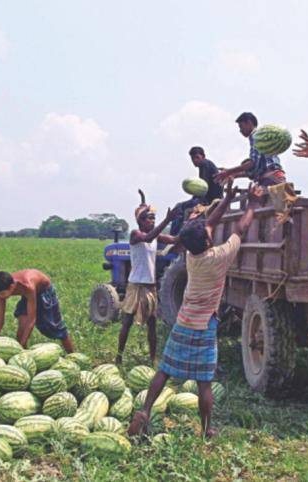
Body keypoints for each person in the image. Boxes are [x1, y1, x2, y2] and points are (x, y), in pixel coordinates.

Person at [128, 182, 262, 439]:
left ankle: (144, 411)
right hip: (204, 326)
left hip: (183, 322)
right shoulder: (220, 256)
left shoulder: (191, 256)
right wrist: (253, 204)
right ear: (208, 240)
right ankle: (207, 428)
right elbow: (241, 229)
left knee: (164, 371)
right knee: (204, 382)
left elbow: (209, 224)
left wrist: (227, 200)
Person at [116, 191, 177, 366]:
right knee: (126, 323)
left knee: (152, 325)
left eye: (154, 218)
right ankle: (119, 357)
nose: (153, 221)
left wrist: (191, 228)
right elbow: (148, 237)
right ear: (141, 221)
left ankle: (152, 359)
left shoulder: (156, 235)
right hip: (136, 286)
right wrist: (167, 220)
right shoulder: (136, 235)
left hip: (150, 287)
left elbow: (173, 239)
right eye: (149, 218)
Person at [0, 269, 76, 353]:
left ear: (11, 287)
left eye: (2, 293)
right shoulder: (1, 290)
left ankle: (72, 354)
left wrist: (21, 344)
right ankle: (25, 357)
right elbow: (0, 319)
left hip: (44, 292)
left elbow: (31, 319)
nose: (0, 296)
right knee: (21, 330)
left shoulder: (27, 286)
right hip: (28, 296)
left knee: (55, 328)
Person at [214, 112, 287, 187]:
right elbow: (256, 169)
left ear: (249, 123)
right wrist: (233, 174)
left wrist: (229, 171)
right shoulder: (264, 136)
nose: (240, 130)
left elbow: (252, 163)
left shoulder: (255, 136)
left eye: (241, 126)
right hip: (278, 176)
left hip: (269, 178)